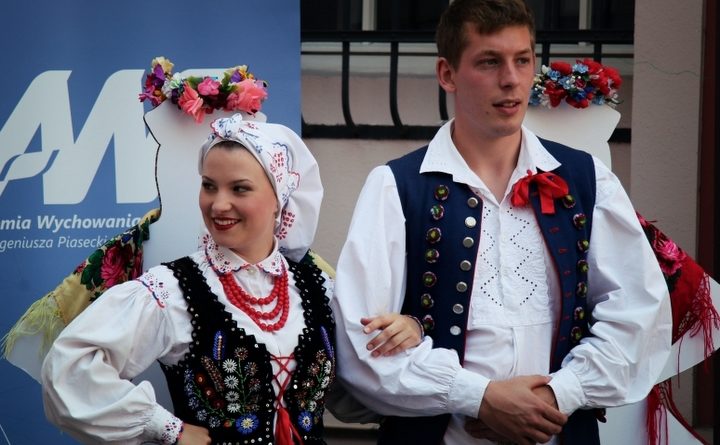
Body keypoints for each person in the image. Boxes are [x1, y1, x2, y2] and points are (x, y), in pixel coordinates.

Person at [331, 0, 672, 444]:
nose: (511, 79)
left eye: (522, 60)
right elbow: (361, 346)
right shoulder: (396, 186)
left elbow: (639, 315)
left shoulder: (586, 179)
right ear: (447, 74)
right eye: (489, 62)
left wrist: (557, 395)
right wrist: (479, 398)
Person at [40, 114, 422, 445]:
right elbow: (69, 368)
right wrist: (167, 428)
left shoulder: (319, 287)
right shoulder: (172, 290)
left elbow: (361, 392)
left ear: (279, 198)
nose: (218, 204)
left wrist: (409, 333)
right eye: (209, 185)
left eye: (239, 188)